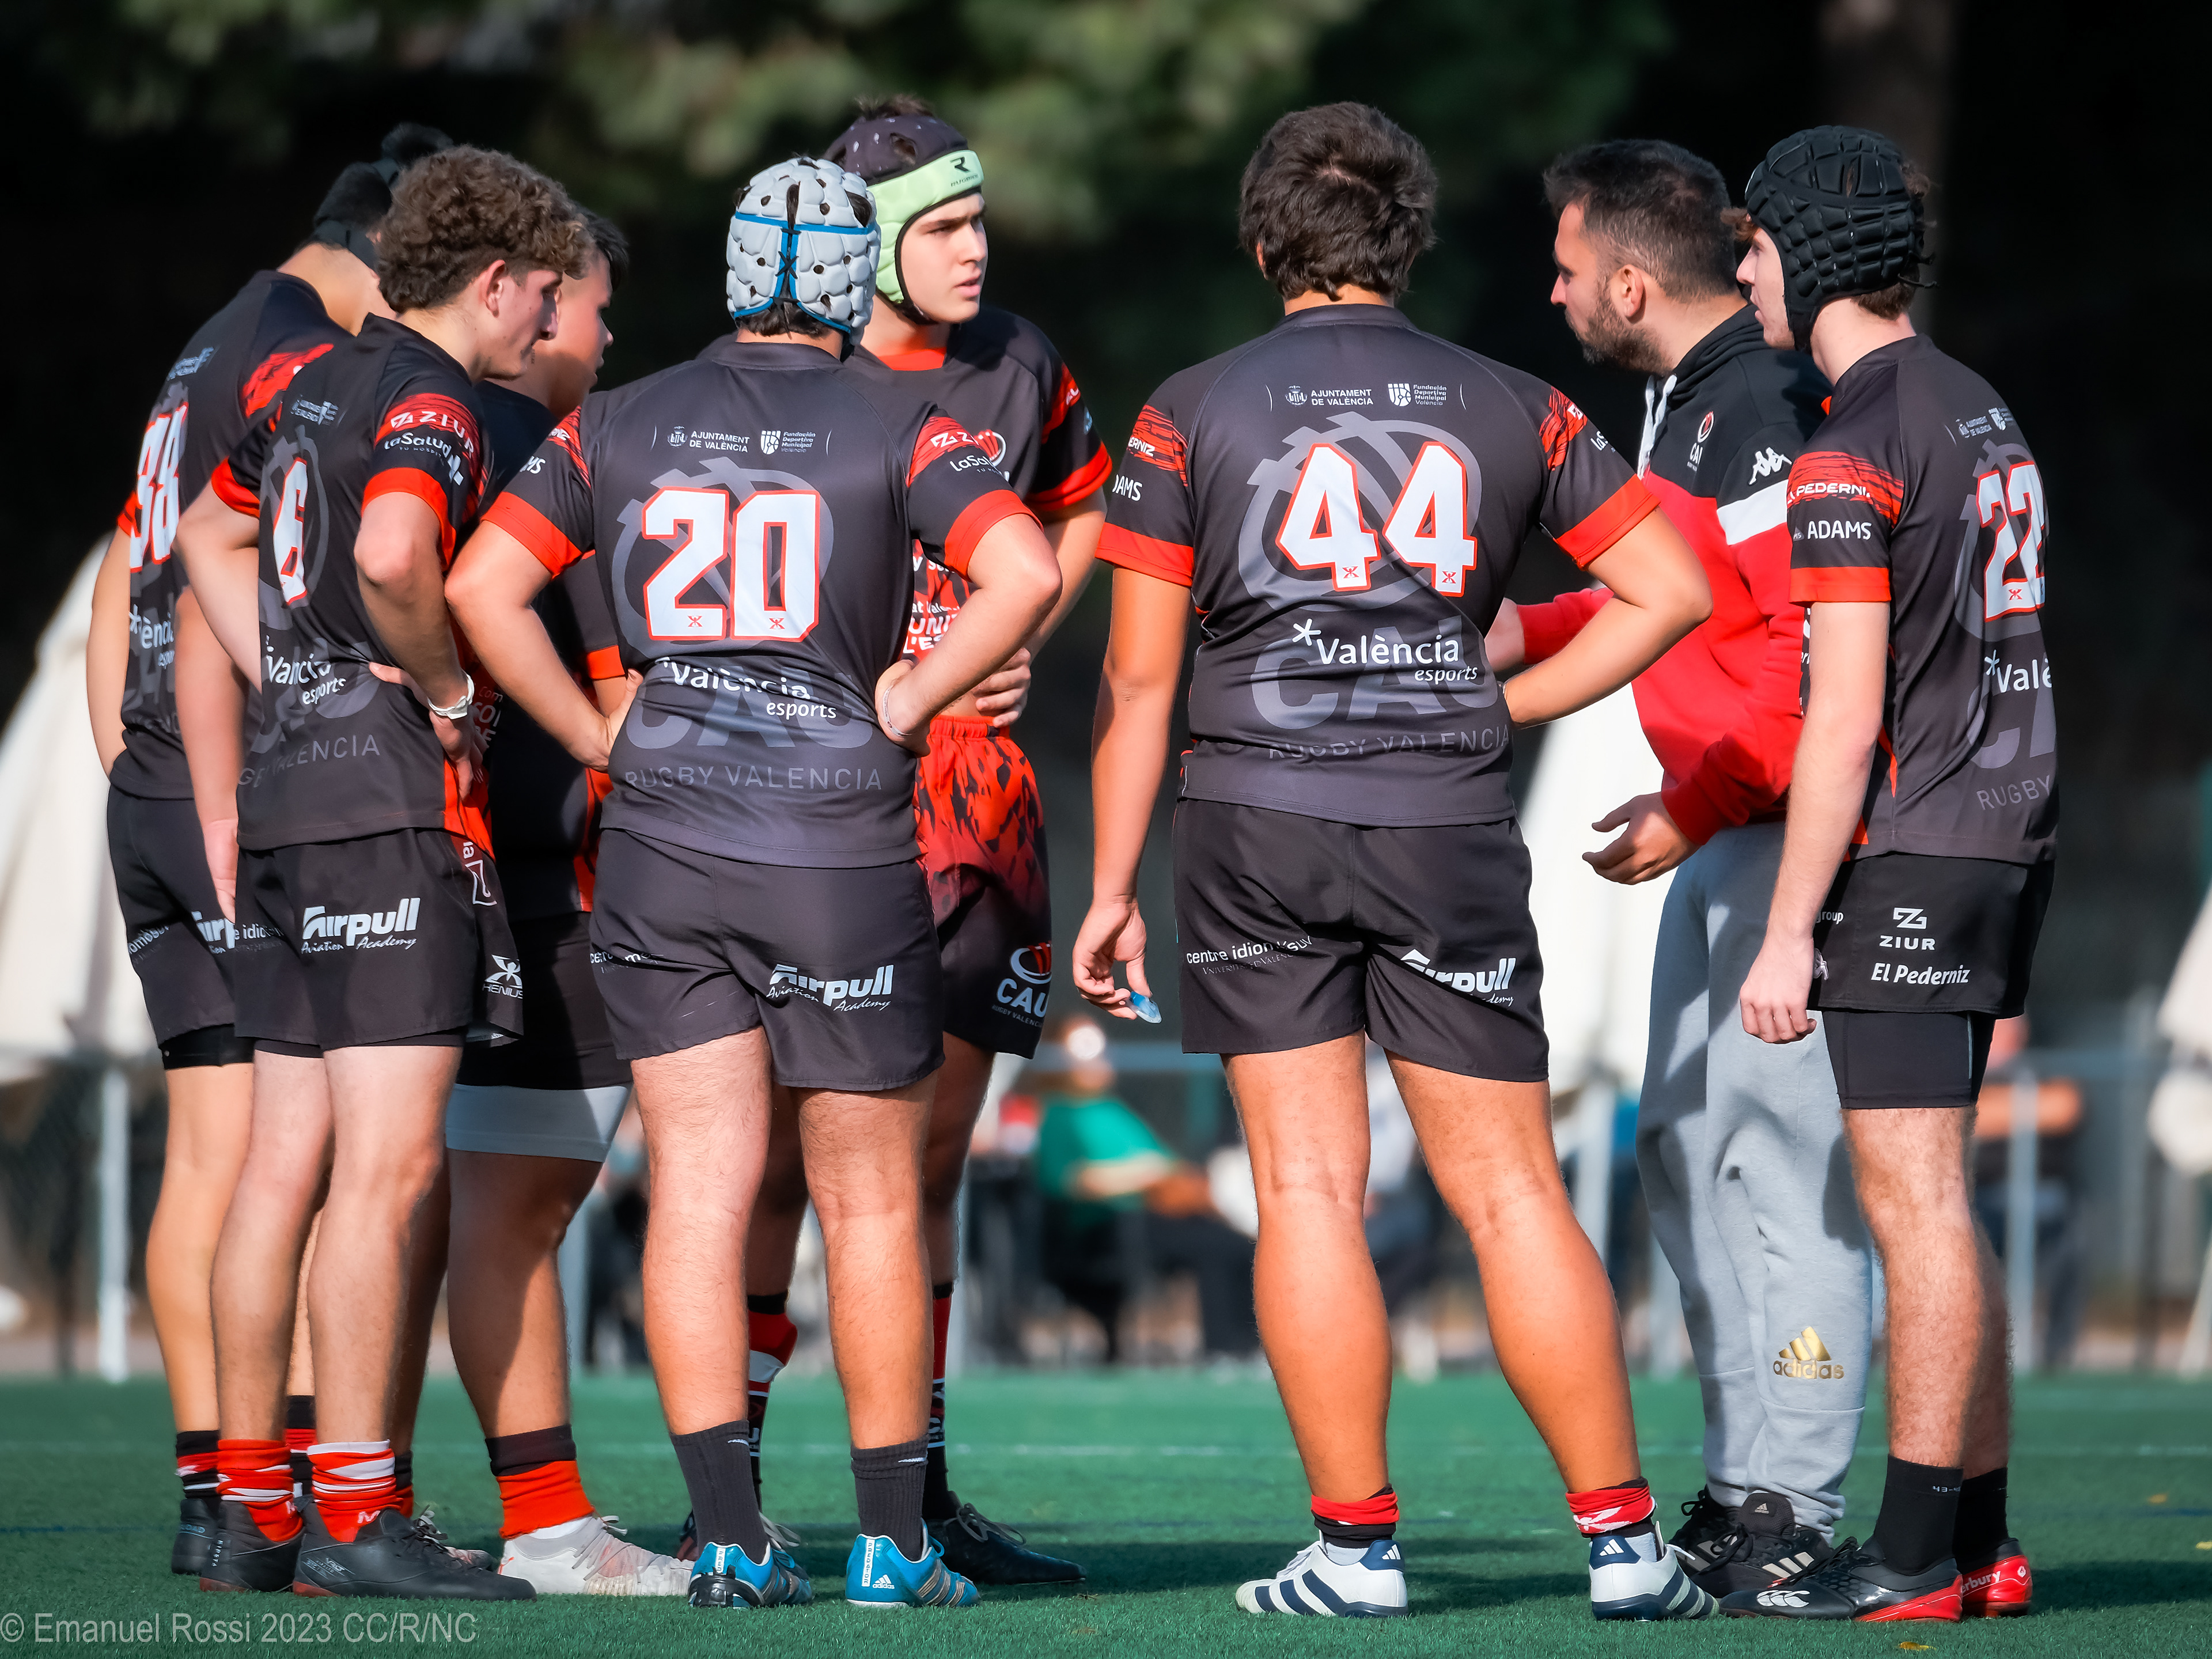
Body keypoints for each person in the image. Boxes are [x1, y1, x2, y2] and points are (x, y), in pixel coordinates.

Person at [1072, 103, 1714, 1622]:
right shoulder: (1514, 400)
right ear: (1410, 241)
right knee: (1514, 1192)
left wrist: (1107, 887)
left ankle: (1358, 1553)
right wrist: (1497, 703)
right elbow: (1671, 589)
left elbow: (1140, 682)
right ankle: (1626, 1547)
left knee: (1307, 1192)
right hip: (1445, 824)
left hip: (1256, 824)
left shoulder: (1186, 409)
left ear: (1263, 245)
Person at [444, 154, 1062, 1612]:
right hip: (835, 841)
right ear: (853, 279)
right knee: (870, 1199)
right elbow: (1026, 574)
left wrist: (592, 731)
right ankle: (894, 1543)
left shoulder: (615, 419)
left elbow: (478, 586)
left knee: (698, 1190)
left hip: (664, 841)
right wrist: (909, 697)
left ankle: (728, 1536)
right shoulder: (899, 416)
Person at [173, 144, 589, 1601]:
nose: (553, 322)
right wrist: (447, 692)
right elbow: (405, 553)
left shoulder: (308, 384)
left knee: (278, 1165)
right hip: (389, 816)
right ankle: (356, 1515)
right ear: (495, 282)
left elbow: (205, 531)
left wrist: (292, 666)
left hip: (289, 801)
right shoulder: (431, 399)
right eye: (545, 295)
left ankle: (250, 1510)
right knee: (389, 1169)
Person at [713, 93, 1106, 1586]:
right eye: (940, 226)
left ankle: (919, 1497)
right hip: (819, 812)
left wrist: (1017, 632)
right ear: (860, 246)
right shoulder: (793, 370)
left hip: (979, 815)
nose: (974, 248)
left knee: (928, 1166)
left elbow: (1075, 510)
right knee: (771, 1166)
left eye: (979, 218)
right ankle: (734, 1493)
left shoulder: (1020, 362)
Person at [1487, 139, 1868, 1596]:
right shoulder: (1682, 401)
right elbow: (1654, 596)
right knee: (1686, 1156)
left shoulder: (1761, 404)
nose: (1556, 291)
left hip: (1781, 840)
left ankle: (1795, 1502)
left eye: (1570, 267)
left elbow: (1803, 664)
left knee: (1781, 1176)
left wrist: (1694, 806)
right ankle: (1738, 1484)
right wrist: (1510, 634)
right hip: (1721, 830)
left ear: (1632, 283)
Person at [85, 123, 449, 1579]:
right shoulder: (305, 351)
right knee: (292, 1160)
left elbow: (126, 566)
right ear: (386, 254)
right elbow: (232, 562)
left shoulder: (201, 348)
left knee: (214, 1158)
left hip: (153, 780)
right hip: (242, 776)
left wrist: (131, 770)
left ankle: (215, 1497)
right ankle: (290, 1492)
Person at [1732, 125, 2053, 1622]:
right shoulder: (1977, 398)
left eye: (1756, 244)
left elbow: (1844, 712)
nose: (1746, 271)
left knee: (1910, 1200)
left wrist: (1786, 930)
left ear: (1807, 253)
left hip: (1922, 848)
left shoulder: (1849, 441)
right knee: (1946, 1199)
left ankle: (1915, 1554)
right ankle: (1979, 1541)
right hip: (2011, 834)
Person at [426, 212, 687, 1596]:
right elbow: (610, 667)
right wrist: (598, 746)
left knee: (409, 1195)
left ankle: (327, 1496)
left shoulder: (354, 409)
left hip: (395, 850)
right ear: (522, 300)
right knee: (514, 1207)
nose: (600, 333)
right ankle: (546, 1524)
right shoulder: (539, 443)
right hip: (540, 872)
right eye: (587, 304)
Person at [1032, 1015, 1259, 1362]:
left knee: (1236, 1243)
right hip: (1109, 1228)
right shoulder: (1058, 1114)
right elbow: (1071, 1181)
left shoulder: (1111, 1109)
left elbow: (1165, 1165)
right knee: (1214, 1248)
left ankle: (1250, 1349)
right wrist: (1143, 1174)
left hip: (1152, 1217)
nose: (1099, 1059)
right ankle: (1225, 1353)